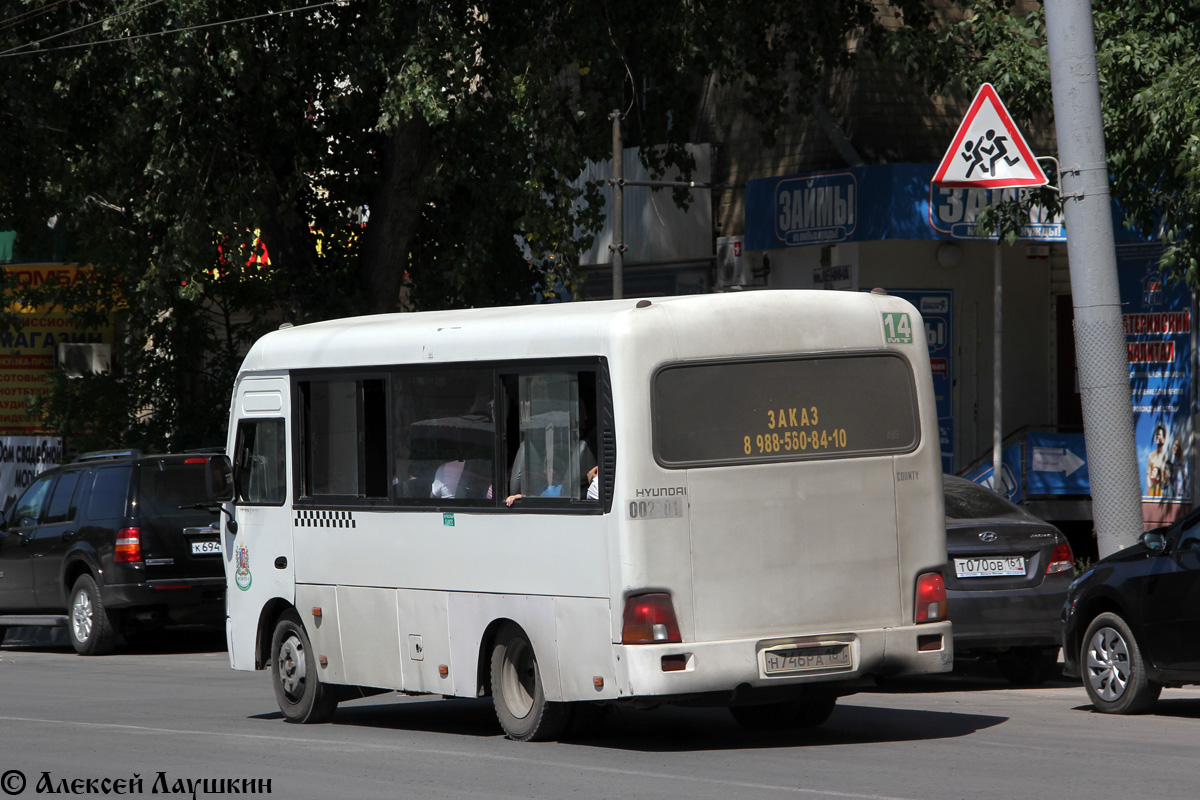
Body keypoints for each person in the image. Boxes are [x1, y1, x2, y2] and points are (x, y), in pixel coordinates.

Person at [1146, 423, 1167, 498]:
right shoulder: (1151, 456)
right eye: (1156, 435)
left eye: (1159, 435)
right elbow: (1148, 475)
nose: (1157, 437)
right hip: (1154, 492)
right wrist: (1149, 489)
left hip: (1165, 492)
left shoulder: (1167, 456)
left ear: (1164, 440)